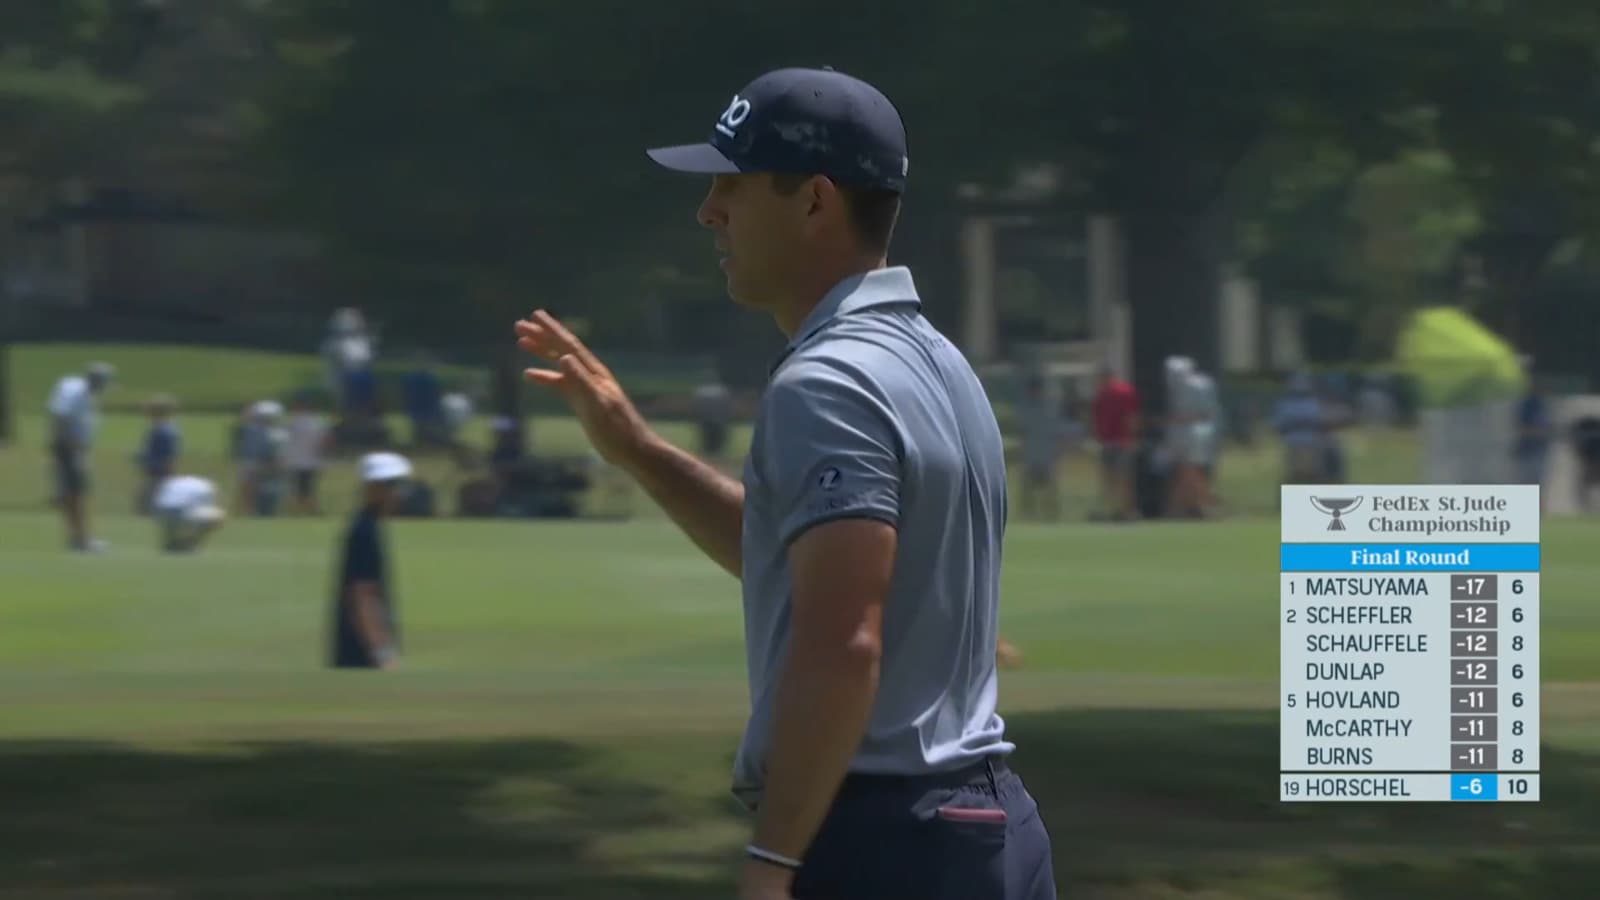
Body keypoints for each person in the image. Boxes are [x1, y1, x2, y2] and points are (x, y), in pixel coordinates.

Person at [515, 66, 1055, 900]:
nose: (709, 211)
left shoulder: (829, 382)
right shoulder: (938, 364)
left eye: (732, 184)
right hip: (990, 830)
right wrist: (639, 450)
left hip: (886, 841)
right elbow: (807, 560)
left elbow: (844, 641)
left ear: (813, 201)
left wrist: (774, 860)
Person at [329, 451, 410, 670]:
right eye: (390, 484)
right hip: (361, 656)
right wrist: (383, 653)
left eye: (397, 484)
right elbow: (364, 597)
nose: (396, 491)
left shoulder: (367, 526)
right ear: (370, 488)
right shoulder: (365, 532)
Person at [47, 362, 114, 552]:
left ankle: (78, 538)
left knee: (73, 495)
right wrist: (73, 449)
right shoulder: (75, 394)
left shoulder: (78, 390)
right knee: (78, 495)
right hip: (70, 449)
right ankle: (83, 540)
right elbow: (60, 417)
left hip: (73, 448)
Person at [1089, 362, 1139, 521]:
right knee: (1121, 478)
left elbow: (1129, 417)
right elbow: (1132, 418)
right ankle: (1121, 511)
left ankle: (1118, 510)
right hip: (1117, 441)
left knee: (1113, 478)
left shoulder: (1105, 393)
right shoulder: (1123, 391)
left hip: (1114, 441)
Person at [150, 474, 226, 553]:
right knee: (218, 516)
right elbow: (208, 506)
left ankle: (171, 541)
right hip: (181, 511)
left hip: (160, 511)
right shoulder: (207, 487)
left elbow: (158, 500)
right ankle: (192, 542)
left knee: (172, 519)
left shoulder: (172, 482)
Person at [285, 394, 332, 515]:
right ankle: (309, 511)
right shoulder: (318, 421)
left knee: (301, 489)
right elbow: (326, 441)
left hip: (297, 462)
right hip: (312, 462)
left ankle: (308, 511)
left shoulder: (293, 423)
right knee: (307, 489)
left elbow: (286, 442)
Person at [135, 394, 182, 515]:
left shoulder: (164, 431)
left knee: (147, 506)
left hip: (159, 475)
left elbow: (169, 455)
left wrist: (167, 475)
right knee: (145, 504)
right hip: (155, 473)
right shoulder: (160, 428)